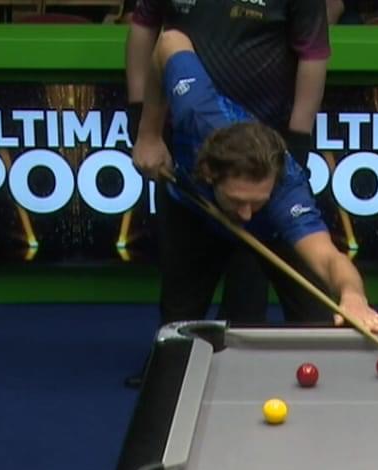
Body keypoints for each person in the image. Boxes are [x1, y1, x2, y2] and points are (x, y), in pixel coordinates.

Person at [122, 0, 332, 387]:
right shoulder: (195, 109)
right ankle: (171, 369)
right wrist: (145, 128)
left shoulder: (279, 182)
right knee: (182, 284)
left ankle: (242, 372)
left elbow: (313, 54)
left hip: (266, 149)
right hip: (194, 140)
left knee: (254, 288)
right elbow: (154, 35)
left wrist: (298, 139)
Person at [141, 29, 378, 340]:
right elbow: (170, 41)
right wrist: (148, 134)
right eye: (238, 200)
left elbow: (329, 258)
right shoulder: (196, 111)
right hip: (193, 210)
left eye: (257, 200)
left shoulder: (286, 191)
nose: (246, 214)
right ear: (208, 172)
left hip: (272, 230)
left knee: (319, 320)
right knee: (178, 321)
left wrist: (353, 295)